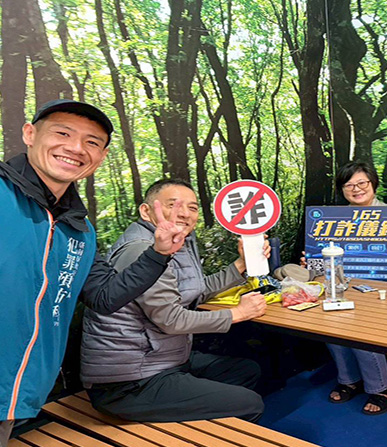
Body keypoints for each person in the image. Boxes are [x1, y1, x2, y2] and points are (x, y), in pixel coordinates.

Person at [0, 99, 186, 447]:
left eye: (92, 142)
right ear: (30, 134)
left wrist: (159, 254)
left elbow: (105, 296)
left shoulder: (78, 230)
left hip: (11, 397)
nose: (76, 148)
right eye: (63, 132)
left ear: (101, 156)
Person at [80, 178, 269, 423]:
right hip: (128, 382)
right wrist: (238, 313)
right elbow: (171, 320)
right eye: (173, 205)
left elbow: (194, 290)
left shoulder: (176, 243)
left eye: (192, 208)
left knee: (245, 370)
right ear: (146, 211)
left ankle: (202, 432)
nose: (184, 213)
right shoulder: (141, 249)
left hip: (164, 360)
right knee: (249, 403)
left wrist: (241, 265)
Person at [313, 162, 387, 415]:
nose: (356, 189)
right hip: (343, 286)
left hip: (384, 291)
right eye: (349, 185)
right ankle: (349, 380)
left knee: (362, 327)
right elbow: (320, 257)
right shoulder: (332, 220)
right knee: (332, 323)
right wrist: (313, 262)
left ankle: (382, 387)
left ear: (373, 183)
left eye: (362, 183)